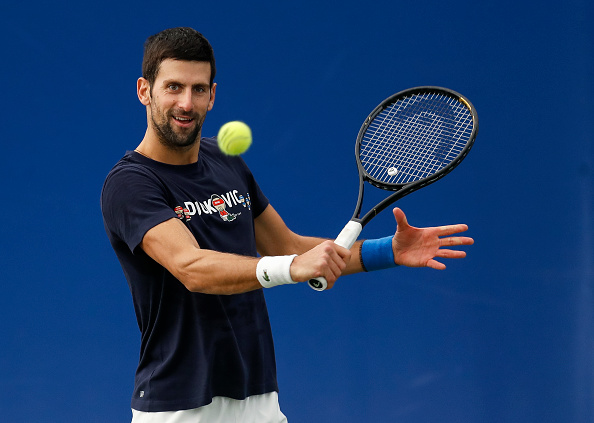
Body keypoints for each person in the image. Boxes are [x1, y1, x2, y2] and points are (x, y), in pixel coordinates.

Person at [100, 27, 474, 423]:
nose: (186, 103)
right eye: (173, 87)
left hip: (258, 396)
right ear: (145, 90)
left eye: (198, 89)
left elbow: (288, 246)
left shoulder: (226, 161)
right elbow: (191, 267)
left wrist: (386, 251)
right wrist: (292, 269)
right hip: (179, 406)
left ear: (212, 95)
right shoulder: (130, 184)